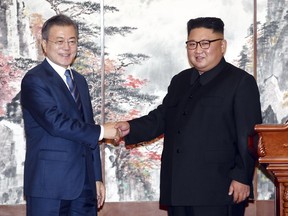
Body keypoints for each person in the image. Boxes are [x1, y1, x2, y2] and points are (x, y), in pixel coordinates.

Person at [115, 17, 262, 216]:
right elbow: (161, 118)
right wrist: (130, 127)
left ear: (222, 45)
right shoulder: (180, 81)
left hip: (218, 191)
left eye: (205, 43)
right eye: (192, 44)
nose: (198, 50)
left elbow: (249, 136)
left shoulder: (240, 82)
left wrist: (242, 177)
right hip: (178, 190)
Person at [20, 14, 119, 216]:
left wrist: (97, 177)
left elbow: (87, 127)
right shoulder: (34, 79)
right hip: (49, 186)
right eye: (59, 41)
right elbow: (55, 122)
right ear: (44, 45)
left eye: (72, 41)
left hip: (84, 186)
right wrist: (102, 130)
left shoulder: (79, 81)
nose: (67, 47)